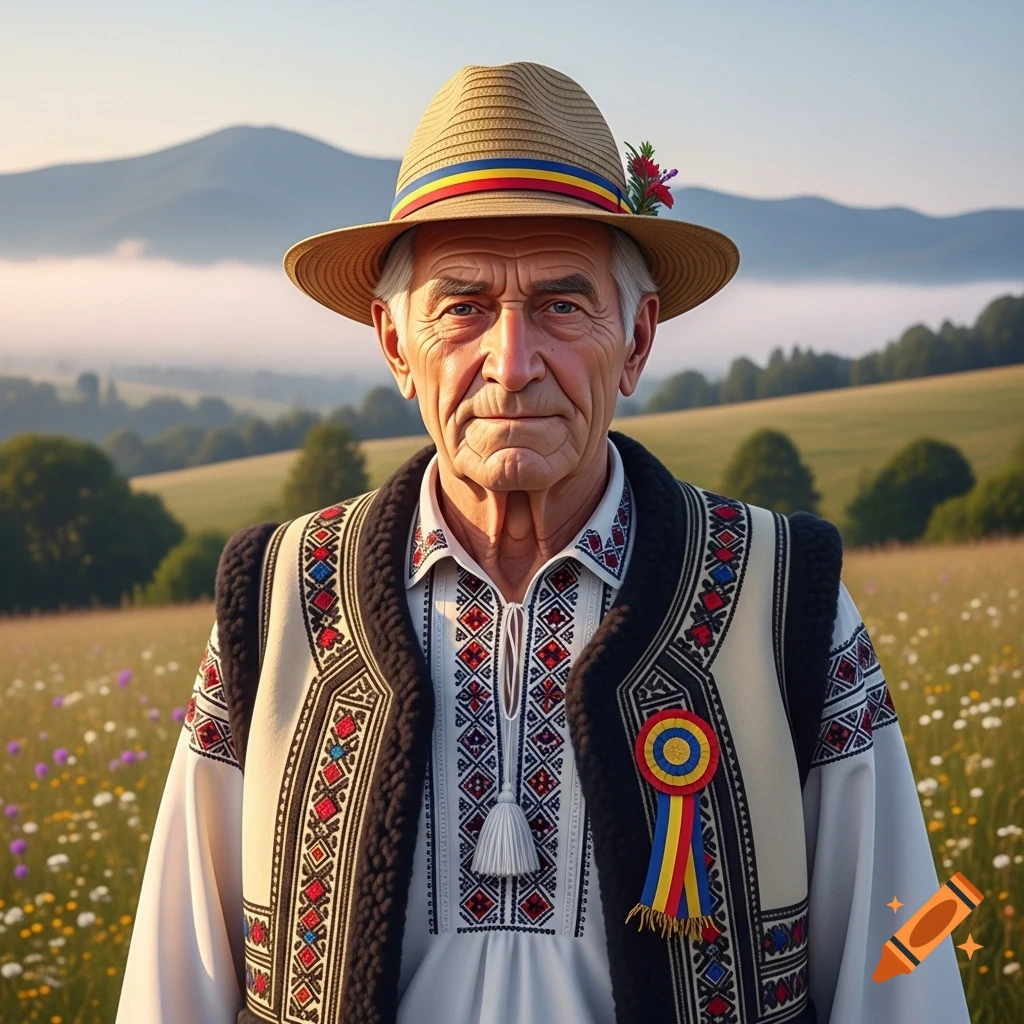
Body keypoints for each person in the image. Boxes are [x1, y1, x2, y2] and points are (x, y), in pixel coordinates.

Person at [117, 62, 970, 1024]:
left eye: (564, 305)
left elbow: (903, 953)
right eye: (463, 306)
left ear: (638, 340)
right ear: (396, 344)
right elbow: (175, 978)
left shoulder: (783, 598)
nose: (513, 363)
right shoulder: (278, 601)